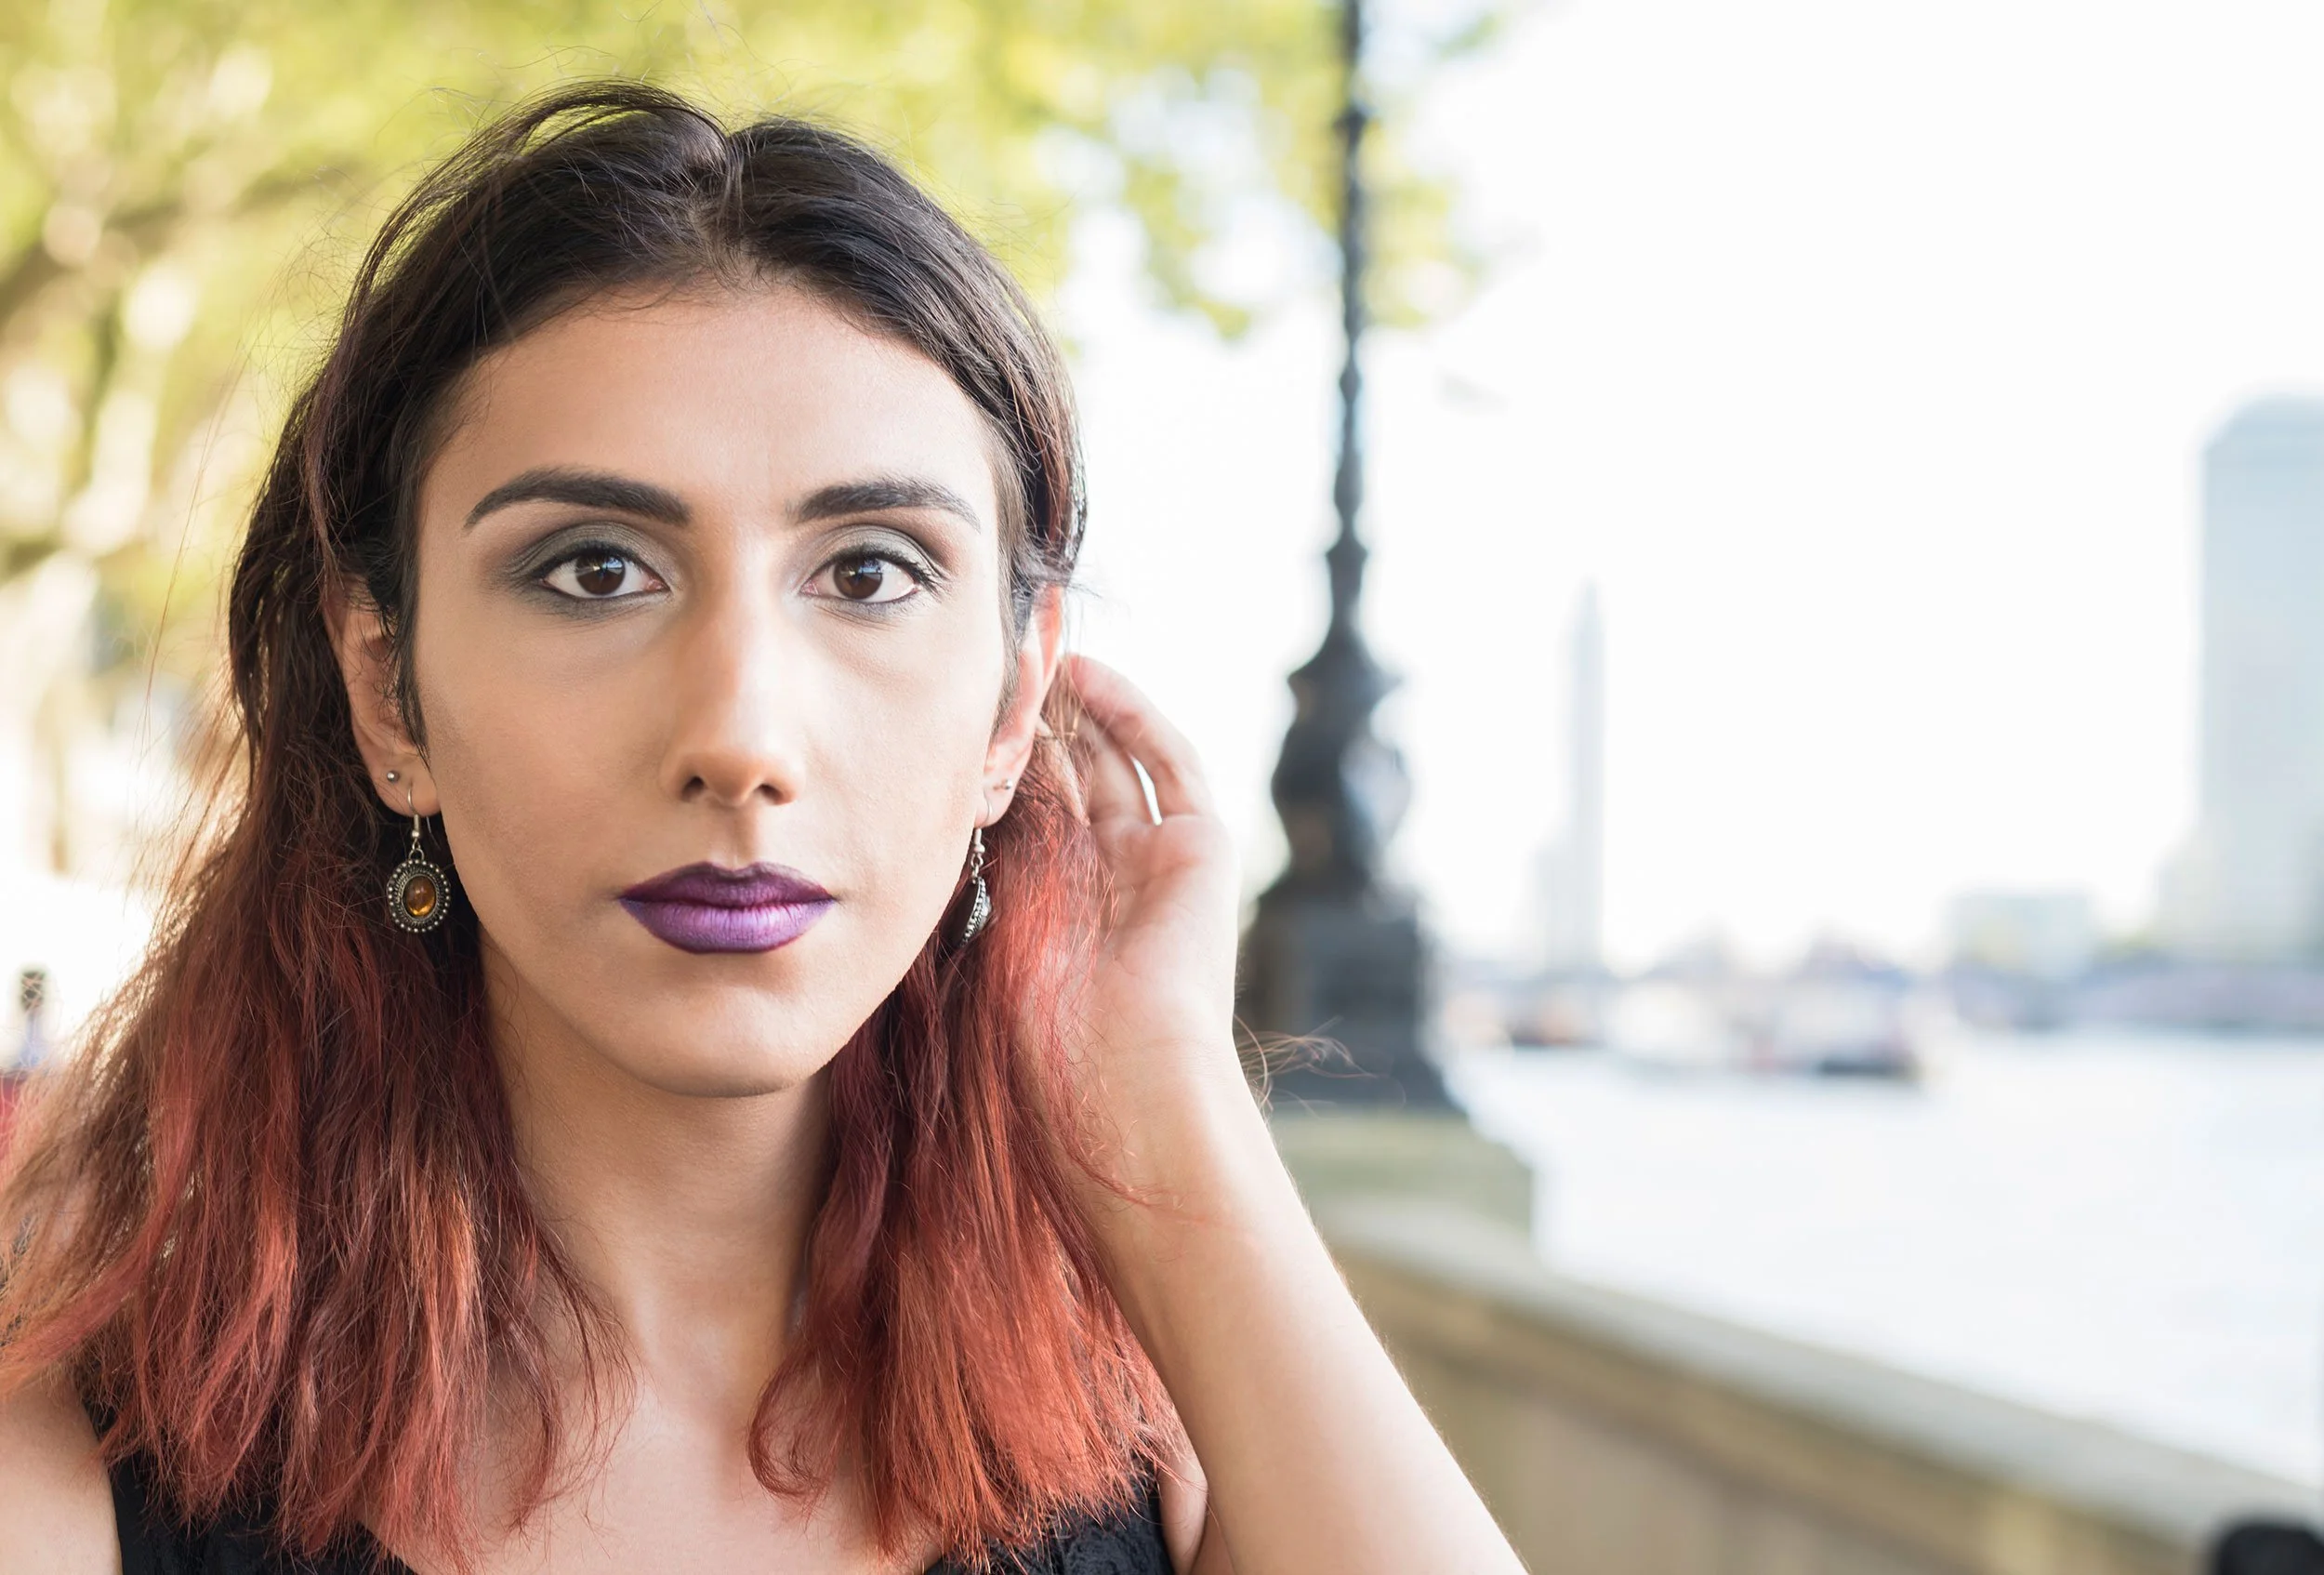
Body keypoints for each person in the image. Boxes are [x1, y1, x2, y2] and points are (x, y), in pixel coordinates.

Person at [0, 83, 1525, 1575]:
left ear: (1015, 704)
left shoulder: (1169, 1441)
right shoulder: (69, 1472)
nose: (739, 737)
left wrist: (1168, 1104)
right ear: (387, 690)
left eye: (868, 573)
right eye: (595, 570)